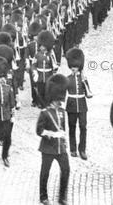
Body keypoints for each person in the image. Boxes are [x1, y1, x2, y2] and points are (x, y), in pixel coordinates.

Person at [37, 74, 70, 205]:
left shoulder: (62, 111)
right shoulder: (45, 113)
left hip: (60, 147)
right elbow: (39, 131)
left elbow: (63, 127)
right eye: (57, 100)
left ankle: (62, 196)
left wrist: (64, 139)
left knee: (66, 170)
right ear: (52, 99)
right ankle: (43, 196)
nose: (60, 102)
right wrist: (51, 134)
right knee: (45, 172)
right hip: (48, 148)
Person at [64, 48, 91, 160]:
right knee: (72, 128)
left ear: (79, 67)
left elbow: (89, 94)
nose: (74, 69)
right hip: (71, 105)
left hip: (82, 105)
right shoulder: (67, 79)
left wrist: (85, 83)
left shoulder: (83, 78)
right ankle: (73, 149)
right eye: (72, 67)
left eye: (76, 67)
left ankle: (82, 150)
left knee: (83, 127)